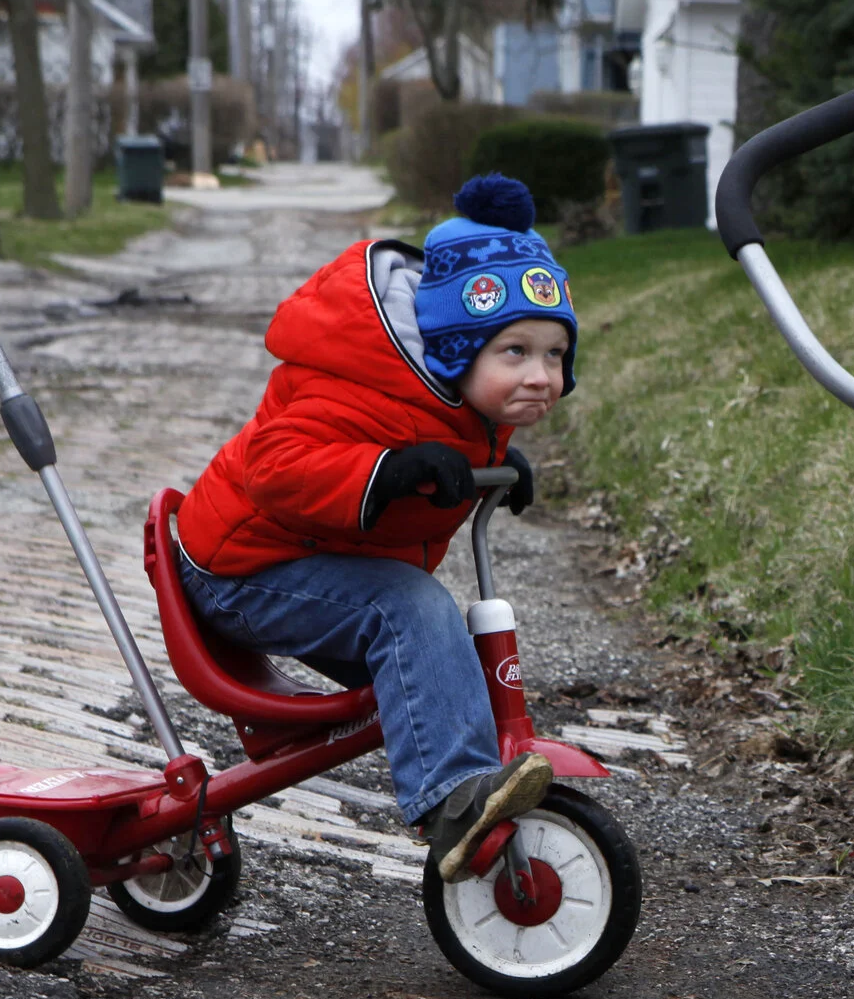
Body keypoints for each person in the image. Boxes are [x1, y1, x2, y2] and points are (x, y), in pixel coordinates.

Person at [173, 173, 579, 882]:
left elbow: (440, 428)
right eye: (515, 352)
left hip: (306, 560)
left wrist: (494, 457)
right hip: (238, 569)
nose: (542, 375)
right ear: (454, 350)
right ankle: (453, 802)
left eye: (554, 354)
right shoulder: (366, 382)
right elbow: (275, 466)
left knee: (439, 650)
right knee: (408, 609)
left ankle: (472, 774)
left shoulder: (455, 400)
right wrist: (385, 470)